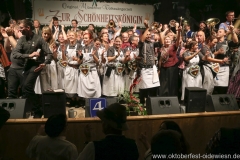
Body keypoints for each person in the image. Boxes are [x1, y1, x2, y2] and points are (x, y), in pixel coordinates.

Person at [12, 19, 52, 117]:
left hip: (37, 65)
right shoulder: (22, 39)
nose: (20, 30)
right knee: (25, 89)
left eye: (21, 28)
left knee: (27, 86)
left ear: (28, 28)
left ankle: (38, 109)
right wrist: (29, 55)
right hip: (26, 65)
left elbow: (50, 53)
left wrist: (45, 63)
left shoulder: (39, 39)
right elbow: (15, 54)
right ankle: (35, 109)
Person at [158, 26, 182, 97]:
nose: (167, 40)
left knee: (171, 84)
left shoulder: (174, 46)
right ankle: (163, 97)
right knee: (163, 84)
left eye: (169, 39)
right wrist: (165, 30)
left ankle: (172, 98)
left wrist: (179, 32)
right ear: (164, 41)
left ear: (171, 40)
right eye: (166, 39)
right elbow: (161, 35)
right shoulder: (162, 47)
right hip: (163, 68)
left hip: (172, 68)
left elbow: (178, 40)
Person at [77, 33, 101, 98]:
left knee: (94, 87)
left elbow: (98, 62)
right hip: (84, 71)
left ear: (90, 39)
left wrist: (93, 55)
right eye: (84, 38)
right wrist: (81, 56)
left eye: (86, 38)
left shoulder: (94, 48)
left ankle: (93, 102)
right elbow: (79, 62)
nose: (85, 39)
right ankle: (85, 102)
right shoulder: (81, 48)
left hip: (92, 71)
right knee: (84, 88)